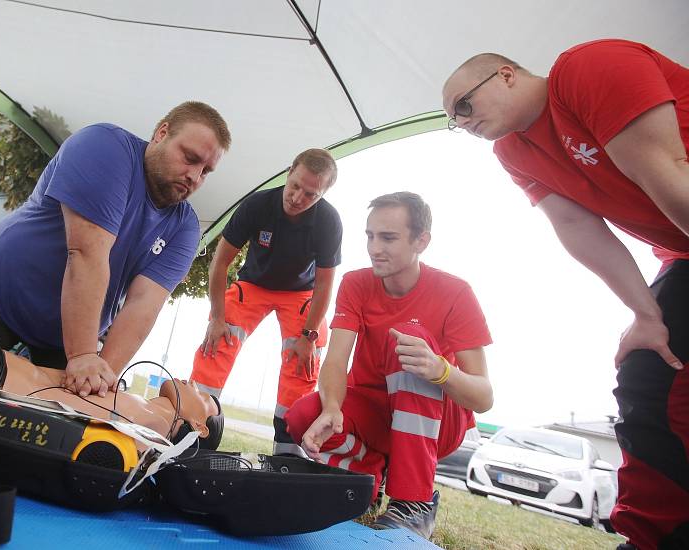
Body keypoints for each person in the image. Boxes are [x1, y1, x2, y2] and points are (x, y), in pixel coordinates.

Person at [442, 39, 689, 550]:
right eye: (453, 120)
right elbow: (578, 227)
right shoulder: (513, 151)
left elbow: (666, 169)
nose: (462, 122)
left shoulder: (587, 68)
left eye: (464, 105)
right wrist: (645, 313)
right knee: (649, 377)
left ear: (507, 75)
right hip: (682, 256)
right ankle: (659, 537)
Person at [0, 102, 231, 400]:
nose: (194, 176)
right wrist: (84, 356)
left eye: (206, 171)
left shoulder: (185, 227)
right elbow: (87, 253)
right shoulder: (105, 147)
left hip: (63, 339)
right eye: (190, 158)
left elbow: (144, 304)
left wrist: (100, 375)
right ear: (161, 133)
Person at [285, 192, 493, 539]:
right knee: (304, 416)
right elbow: (336, 359)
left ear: (421, 241)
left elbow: (484, 396)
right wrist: (333, 407)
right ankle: (366, 485)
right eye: (370, 236)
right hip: (377, 413)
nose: (374, 248)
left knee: (410, 339)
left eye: (388, 238)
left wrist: (440, 369)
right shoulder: (355, 283)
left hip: (436, 423)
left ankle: (415, 500)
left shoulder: (455, 293)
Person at [190, 149, 342, 456]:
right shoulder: (257, 205)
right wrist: (217, 318)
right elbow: (219, 263)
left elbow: (326, 283)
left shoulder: (328, 221)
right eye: (295, 186)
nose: (298, 197)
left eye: (310, 194)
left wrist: (309, 336)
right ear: (289, 172)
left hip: (301, 294)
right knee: (217, 340)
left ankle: (288, 451)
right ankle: (194, 431)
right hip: (254, 284)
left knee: (303, 361)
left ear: (323, 194)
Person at [0, 352, 224, 450]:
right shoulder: (145, 410)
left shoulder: (155, 428)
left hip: (0, 383)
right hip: (6, 371)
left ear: (199, 428)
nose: (193, 383)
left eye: (203, 396)